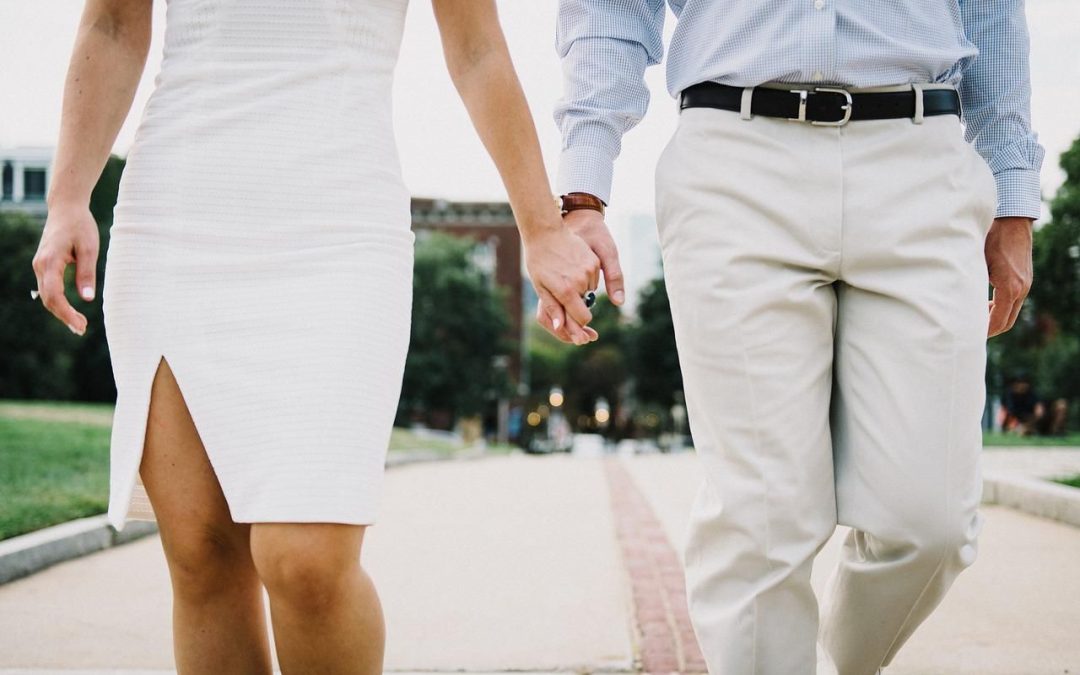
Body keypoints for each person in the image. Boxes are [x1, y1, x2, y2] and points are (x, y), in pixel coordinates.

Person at [31, 1, 600, 672]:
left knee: (306, 558)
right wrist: (68, 198)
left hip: (341, 226)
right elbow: (114, 25)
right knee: (202, 556)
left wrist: (538, 226)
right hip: (174, 214)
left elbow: (477, 47)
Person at [553, 1, 1042, 673]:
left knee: (931, 523)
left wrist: (1015, 195)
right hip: (733, 156)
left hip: (920, 153)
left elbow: (992, 13)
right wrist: (584, 191)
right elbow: (609, 9)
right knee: (760, 520)